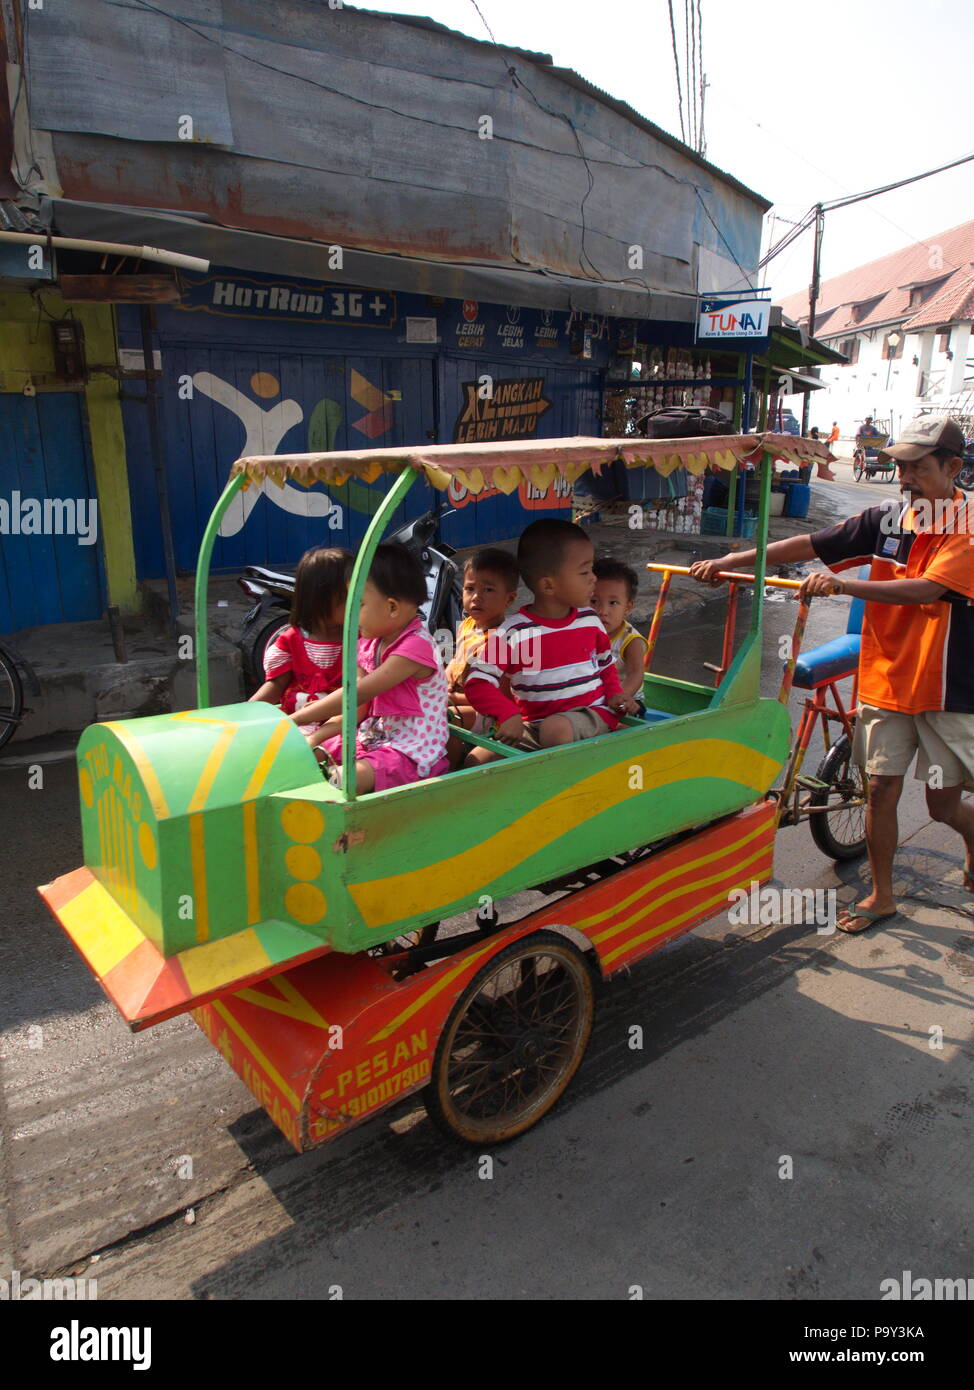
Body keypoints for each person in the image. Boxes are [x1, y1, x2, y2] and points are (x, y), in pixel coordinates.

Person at [689, 416, 974, 933]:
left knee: (942, 806)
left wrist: (844, 589)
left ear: (953, 467)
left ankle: (971, 836)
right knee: (880, 790)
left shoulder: (968, 524)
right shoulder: (887, 519)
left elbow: (926, 591)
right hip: (887, 679)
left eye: (918, 467)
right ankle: (881, 896)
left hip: (944, 686)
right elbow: (810, 545)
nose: (905, 477)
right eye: (900, 466)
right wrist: (733, 558)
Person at [463, 518, 636, 762]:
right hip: (534, 726)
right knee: (476, 759)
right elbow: (477, 682)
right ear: (548, 585)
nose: (593, 579)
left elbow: (605, 665)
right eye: (585, 571)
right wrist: (507, 714)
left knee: (556, 729)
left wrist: (615, 694)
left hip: (591, 715)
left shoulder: (590, 619)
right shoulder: (514, 632)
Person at [293, 542, 449, 792]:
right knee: (308, 755)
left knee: (341, 778)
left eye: (359, 605)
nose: (350, 614)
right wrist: (316, 738)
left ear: (391, 607)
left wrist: (296, 717)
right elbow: (356, 710)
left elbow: (355, 694)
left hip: (409, 752)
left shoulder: (415, 647)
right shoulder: (368, 644)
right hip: (372, 738)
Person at [249, 546, 352, 743]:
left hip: (340, 728)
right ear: (321, 599)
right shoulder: (291, 640)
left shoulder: (360, 639)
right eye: (348, 597)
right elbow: (276, 684)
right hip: (295, 725)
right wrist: (246, 713)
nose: (359, 603)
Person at [445, 547, 520, 760]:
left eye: (488, 590)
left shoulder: (502, 641)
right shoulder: (467, 625)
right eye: (470, 588)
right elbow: (457, 660)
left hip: (492, 715)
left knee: (443, 718)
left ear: (509, 599)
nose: (476, 597)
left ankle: (452, 769)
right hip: (459, 697)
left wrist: (449, 698)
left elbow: (501, 697)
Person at [592, 557, 648, 699]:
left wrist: (619, 697)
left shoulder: (630, 640)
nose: (602, 611)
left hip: (625, 699)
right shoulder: (582, 631)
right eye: (594, 601)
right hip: (594, 696)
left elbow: (635, 674)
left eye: (613, 603)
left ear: (627, 608)